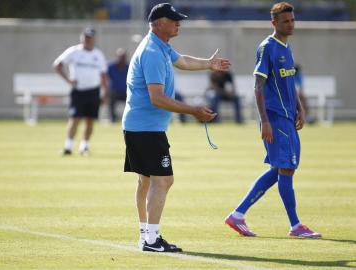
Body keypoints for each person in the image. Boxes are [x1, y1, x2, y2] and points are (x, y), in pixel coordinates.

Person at [122, 3, 231, 252]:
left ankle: (145, 235)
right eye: (173, 20)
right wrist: (194, 111)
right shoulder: (151, 51)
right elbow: (157, 98)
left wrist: (208, 64)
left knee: (146, 182)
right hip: (146, 129)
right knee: (164, 181)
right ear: (158, 23)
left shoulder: (160, 46)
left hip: (140, 127)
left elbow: (181, 61)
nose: (178, 23)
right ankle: (151, 239)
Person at [224, 2, 321, 238]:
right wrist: (264, 120)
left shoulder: (287, 49)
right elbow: (258, 86)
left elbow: (291, 84)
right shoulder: (268, 48)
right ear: (274, 23)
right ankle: (296, 225)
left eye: (292, 20)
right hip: (275, 118)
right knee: (286, 168)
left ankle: (237, 215)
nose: (290, 24)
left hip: (288, 117)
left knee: (279, 169)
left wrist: (299, 108)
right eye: (285, 21)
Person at [53, 27, 108, 156]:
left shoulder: (98, 54)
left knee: (90, 120)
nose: (87, 40)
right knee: (75, 119)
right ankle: (68, 147)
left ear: (94, 39)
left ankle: (84, 147)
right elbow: (58, 65)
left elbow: (103, 75)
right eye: (85, 37)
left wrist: (105, 93)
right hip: (78, 91)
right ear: (81, 37)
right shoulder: (74, 52)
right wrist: (68, 80)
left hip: (93, 91)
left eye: (90, 37)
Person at [107, 48, 129, 123]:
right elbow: (106, 78)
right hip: (115, 92)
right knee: (110, 98)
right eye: (120, 56)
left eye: (123, 56)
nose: (122, 58)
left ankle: (129, 118)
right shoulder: (111, 67)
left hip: (127, 92)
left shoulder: (129, 67)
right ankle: (112, 118)